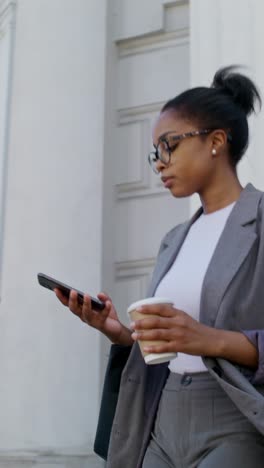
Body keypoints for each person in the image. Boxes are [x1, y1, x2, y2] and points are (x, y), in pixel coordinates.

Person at [55, 65, 264, 468]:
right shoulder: (174, 239)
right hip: (161, 414)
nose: (159, 164)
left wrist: (210, 340)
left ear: (216, 141)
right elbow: (173, 343)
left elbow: (197, 338)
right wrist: (120, 333)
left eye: (169, 145)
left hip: (235, 415)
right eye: (155, 153)